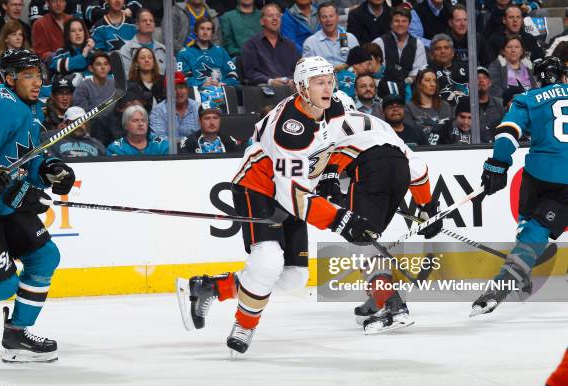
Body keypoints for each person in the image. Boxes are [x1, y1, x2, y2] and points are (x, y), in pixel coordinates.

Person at [176, 57, 378, 355]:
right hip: (259, 185)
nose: (327, 87)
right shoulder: (289, 128)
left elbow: (337, 147)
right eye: (319, 82)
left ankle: (210, 288)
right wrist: (340, 219)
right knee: (268, 259)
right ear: (301, 87)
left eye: (329, 81)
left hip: (294, 189)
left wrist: (333, 175)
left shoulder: (334, 108)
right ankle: (244, 325)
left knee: (294, 276)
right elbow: (291, 197)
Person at [0, 49, 76, 363]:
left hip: (3, 206)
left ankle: (17, 332)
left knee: (44, 256)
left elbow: (26, 159)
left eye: (39, 75)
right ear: (11, 78)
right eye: (28, 75)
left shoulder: (29, 109)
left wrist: (50, 170)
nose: (37, 82)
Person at [318, 101, 442, 334]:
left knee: (361, 239)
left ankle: (392, 304)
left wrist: (331, 189)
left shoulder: (328, 122)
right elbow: (418, 168)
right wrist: (427, 207)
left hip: (368, 168)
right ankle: (378, 299)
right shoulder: (379, 124)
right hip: (399, 170)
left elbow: (323, 172)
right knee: (370, 235)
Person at [471, 56, 567, 316]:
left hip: (539, 174)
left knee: (530, 224)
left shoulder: (529, 98)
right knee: (537, 226)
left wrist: (497, 165)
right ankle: (516, 271)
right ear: (563, 76)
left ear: (537, 77)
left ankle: (513, 273)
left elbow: (507, 133)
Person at [241, 3, 299, 86]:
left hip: (289, 90)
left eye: (278, 16)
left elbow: (297, 70)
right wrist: (270, 81)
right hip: (264, 92)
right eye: (270, 16)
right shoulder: (251, 45)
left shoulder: (290, 45)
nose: (275, 18)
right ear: (262, 21)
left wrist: (291, 80)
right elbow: (250, 73)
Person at [371, 7, 427, 92]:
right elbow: (375, 70)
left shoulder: (418, 44)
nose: (400, 24)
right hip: (383, 89)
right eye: (397, 21)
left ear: (409, 24)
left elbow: (419, 70)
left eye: (404, 21)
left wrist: (406, 82)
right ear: (390, 24)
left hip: (410, 89)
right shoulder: (379, 42)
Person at [176, 17, 239, 87]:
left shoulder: (221, 51)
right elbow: (184, 78)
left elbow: (232, 74)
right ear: (196, 31)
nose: (205, 32)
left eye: (208, 29)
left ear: (212, 33)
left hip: (221, 90)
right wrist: (201, 84)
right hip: (196, 93)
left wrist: (223, 83)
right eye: (202, 28)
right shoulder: (184, 53)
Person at [302, 2, 358, 70]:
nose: (328, 20)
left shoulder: (351, 38)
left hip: (349, 77)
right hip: (323, 78)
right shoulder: (310, 43)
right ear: (319, 20)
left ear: (337, 17)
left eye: (331, 16)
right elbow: (309, 69)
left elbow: (359, 63)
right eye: (324, 17)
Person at [403, 68, 452, 145]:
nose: (432, 84)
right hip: (420, 149)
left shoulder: (445, 106)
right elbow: (410, 134)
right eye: (427, 80)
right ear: (419, 85)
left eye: (434, 81)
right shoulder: (409, 107)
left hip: (443, 149)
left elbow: (450, 132)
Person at [149, 71, 200, 144]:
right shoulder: (158, 111)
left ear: (187, 89)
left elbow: (203, 135)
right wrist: (184, 141)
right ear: (166, 92)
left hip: (194, 151)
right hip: (169, 153)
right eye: (173, 88)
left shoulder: (197, 107)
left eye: (181, 87)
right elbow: (158, 138)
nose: (178, 92)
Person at [119, 8, 167, 76]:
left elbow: (173, 75)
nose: (148, 23)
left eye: (151, 21)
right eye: (144, 21)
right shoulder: (126, 50)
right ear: (137, 25)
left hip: (161, 86)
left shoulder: (164, 50)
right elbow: (126, 78)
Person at [488, 34, 536, 98]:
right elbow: (495, 90)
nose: (513, 50)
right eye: (509, 47)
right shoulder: (495, 67)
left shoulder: (530, 68)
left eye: (517, 47)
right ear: (503, 51)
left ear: (522, 51)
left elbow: (537, 90)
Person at [427, 33, 468, 106]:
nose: (443, 51)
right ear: (431, 55)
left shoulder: (466, 68)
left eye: (446, 48)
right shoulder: (427, 72)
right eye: (438, 49)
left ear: (453, 52)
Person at [477, 66, 504, 143]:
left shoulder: (500, 104)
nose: (481, 80)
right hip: (475, 150)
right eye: (477, 78)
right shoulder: (464, 106)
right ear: (469, 83)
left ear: (490, 83)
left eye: (484, 78)